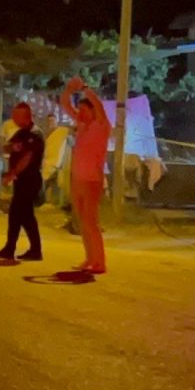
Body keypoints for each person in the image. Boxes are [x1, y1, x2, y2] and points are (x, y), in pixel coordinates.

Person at [61, 77, 112, 275]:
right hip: (78, 179)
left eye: (84, 109)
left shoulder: (101, 126)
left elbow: (98, 105)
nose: (80, 113)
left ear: (93, 111)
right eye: (80, 109)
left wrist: (84, 88)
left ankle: (100, 261)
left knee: (91, 221)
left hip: (92, 180)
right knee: (82, 222)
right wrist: (68, 90)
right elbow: (66, 105)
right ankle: (90, 259)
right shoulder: (82, 127)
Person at [0, 102, 45, 262]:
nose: (13, 118)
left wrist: (12, 173)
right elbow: (7, 148)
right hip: (21, 180)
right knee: (22, 215)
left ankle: (21, 249)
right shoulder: (22, 132)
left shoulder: (35, 134)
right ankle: (25, 249)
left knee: (20, 214)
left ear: (26, 116)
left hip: (30, 179)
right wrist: (11, 148)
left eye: (17, 115)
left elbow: (27, 158)